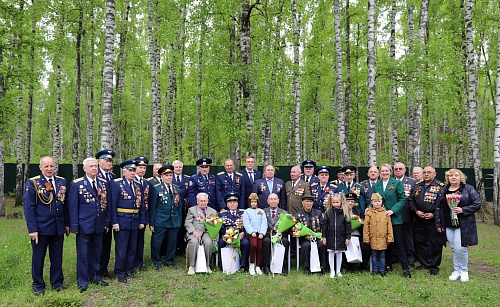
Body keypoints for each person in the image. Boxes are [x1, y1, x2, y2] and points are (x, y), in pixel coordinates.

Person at [23, 156, 69, 296]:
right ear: (40, 167)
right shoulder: (33, 183)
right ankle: (38, 284)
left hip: (57, 226)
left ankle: (57, 282)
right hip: (41, 228)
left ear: (55, 166)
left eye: (51, 166)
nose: (49, 169)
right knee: (38, 257)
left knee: (57, 257)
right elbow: (29, 208)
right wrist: (33, 230)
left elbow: (64, 205)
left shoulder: (61, 181)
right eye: (46, 166)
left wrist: (66, 223)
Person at [69, 157, 110, 292]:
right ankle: (82, 280)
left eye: (95, 166)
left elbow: (106, 204)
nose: (94, 168)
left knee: (97, 252)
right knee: (84, 253)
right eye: (91, 166)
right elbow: (73, 206)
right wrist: (74, 225)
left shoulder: (103, 183)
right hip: (84, 224)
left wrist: (106, 221)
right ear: (84, 168)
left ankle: (96, 276)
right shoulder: (77, 184)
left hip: (98, 223)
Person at [435, 169, 481, 282]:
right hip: (448, 224)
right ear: (447, 178)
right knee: (454, 248)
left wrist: (462, 209)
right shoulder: (443, 190)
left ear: (461, 177)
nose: (453, 177)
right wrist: (438, 223)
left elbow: (477, 204)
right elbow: (438, 207)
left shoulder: (468, 189)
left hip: (463, 224)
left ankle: (464, 270)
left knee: (461, 248)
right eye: (451, 176)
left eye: (456, 175)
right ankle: (457, 270)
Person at [372, 164, 411, 277]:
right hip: (382, 218)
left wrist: (392, 210)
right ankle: (387, 265)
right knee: (386, 243)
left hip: (394, 217)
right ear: (380, 173)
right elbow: (374, 200)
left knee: (399, 243)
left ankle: (405, 268)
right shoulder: (376, 185)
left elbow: (402, 199)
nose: (384, 173)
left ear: (390, 172)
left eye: (387, 171)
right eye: (382, 171)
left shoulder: (397, 183)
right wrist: (369, 208)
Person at [111, 160, 146, 283]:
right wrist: (114, 221)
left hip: (135, 220)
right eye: (130, 171)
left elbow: (141, 204)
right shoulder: (117, 184)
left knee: (132, 247)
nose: (132, 173)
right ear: (124, 171)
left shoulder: (138, 185)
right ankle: (120, 271)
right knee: (122, 248)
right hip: (122, 220)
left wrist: (142, 220)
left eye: (133, 170)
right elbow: (112, 204)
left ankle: (129, 269)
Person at [408, 166, 446, 275]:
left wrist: (434, 215)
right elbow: (411, 200)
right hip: (420, 218)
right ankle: (424, 262)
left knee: (435, 243)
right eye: (424, 172)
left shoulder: (440, 186)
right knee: (420, 241)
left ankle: (434, 265)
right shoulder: (417, 186)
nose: (426, 174)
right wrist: (416, 212)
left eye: (429, 172)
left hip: (434, 219)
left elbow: (443, 205)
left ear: (435, 174)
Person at [149, 165, 183, 270]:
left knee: (172, 241)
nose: (169, 177)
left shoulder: (176, 188)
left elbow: (179, 207)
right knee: (157, 242)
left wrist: (179, 220)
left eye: (170, 175)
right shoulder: (156, 188)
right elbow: (153, 207)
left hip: (174, 220)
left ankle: (169, 260)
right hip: (160, 219)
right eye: (166, 175)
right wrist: (152, 223)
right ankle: (156, 261)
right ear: (162, 176)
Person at [185, 193, 218, 275]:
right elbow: (187, 223)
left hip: (207, 233)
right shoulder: (192, 210)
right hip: (194, 232)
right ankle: (192, 266)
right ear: (197, 201)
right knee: (194, 242)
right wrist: (193, 232)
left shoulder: (213, 211)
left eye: (204, 201)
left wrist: (215, 236)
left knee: (209, 243)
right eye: (201, 201)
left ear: (207, 201)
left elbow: (216, 225)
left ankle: (207, 265)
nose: (203, 203)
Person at [96, 149, 116, 278]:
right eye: (106, 160)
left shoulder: (113, 177)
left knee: (107, 244)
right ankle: (95, 270)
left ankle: (104, 269)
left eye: (110, 161)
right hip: (98, 215)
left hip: (110, 215)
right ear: (99, 162)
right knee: (97, 245)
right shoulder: (95, 175)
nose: (109, 163)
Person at [363, 193, 394, 277]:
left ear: (382, 202)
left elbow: (389, 227)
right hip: (373, 238)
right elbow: (366, 227)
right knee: (374, 255)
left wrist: (390, 238)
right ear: (372, 202)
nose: (377, 203)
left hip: (383, 239)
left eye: (379, 201)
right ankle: (374, 270)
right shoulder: (369, 213)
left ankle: (382, 270)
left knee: (382, 255)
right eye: (375, 201)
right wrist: (366, 238)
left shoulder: (385, 213)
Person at [321, 193, 351, 278]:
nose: (335, 204)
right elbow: (324, 225)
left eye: (337, 202)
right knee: (331, 253)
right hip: (330, 236)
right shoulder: (328, 212)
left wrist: (348, 237)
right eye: (334, 202)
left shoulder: (345, 213)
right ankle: (332, 271)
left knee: (339, 254)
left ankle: (338, 271)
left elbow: (348, 226)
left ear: (341, 202)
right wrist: (324, 237)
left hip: (340, 237)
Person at [218, 192, 251, 270]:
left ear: (237, 203)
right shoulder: (222, 214)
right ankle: (223, 264)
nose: (232, 204)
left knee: (246, 243)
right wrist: (229, 235)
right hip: (227, 236)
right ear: (227, 204)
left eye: (234, 202)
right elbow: (221, 228)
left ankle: (243, 265)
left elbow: (247, 225)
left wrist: (243, 232)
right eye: (230, 202)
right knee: (221, 243)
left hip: (241, 235)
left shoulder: (244, 213)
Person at [295, 194, 326, 274]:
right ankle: (306, 267)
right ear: (303, 203)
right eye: (307, 201)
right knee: (306, 246)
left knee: (321, 245)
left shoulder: (318, 213)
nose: (309, 203)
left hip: (317, 237)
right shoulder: (298, 215)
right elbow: (296, 229)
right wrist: (304, 236)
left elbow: (323, 225)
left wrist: (320, 235)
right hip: (305, 238)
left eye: (311, 202)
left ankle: (322, 266)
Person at [393, 162, 417, 267]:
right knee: (395, 237)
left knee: (408, 238)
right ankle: (395, 257)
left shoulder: (412, 182)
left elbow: (415, 199)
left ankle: (410, 258)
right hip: (393, 214)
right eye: (396, 169)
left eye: (400, 168)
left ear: (404, 170)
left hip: (407, 214)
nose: (398, 170)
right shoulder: (390, 182)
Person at [262, 193, 290, 275]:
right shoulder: (263, 212)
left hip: (280, 235)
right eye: (271, 199)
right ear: (268, 201)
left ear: (278, 201)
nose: (273, 201)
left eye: (275, 199)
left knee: (285, 242)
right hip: (268, 235)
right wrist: (267, 233)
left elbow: (288, 227)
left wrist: (282, 233)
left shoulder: (284, 212)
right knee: (266, 242)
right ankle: (266, 266)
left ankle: (283, 266)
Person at [242, 193, 267, 275]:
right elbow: (246, 223)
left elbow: (264, 223)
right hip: (251, 233)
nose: (253, 203)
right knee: (254, 245)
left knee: (259, 248)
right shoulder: (247, 212)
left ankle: (258, 266)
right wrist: (251, 231)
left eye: (255, 202)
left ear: (257, 202)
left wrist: (262, 233)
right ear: (249, 202)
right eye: (252, 202)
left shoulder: (261, 211)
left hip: (259, 233)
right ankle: (251, 265)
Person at [133, 156, 150, 271]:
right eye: (140, 167)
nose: (142, 170)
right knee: (132, 241)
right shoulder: (131, 181)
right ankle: (132, 262)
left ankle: (139, 262)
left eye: (144, 168)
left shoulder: (146, 182)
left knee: (140, 241)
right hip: (132, 216)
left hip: (143, 216)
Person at [172, 160, 190, 257]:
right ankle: (173, 249)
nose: (178, 168)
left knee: (183, 228)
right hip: (173, 208)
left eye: (180, 167)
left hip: (184, 208)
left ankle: (182, 248)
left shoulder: (187, 178)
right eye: (176, 167)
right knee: (174, 229)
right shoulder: (169, 178)